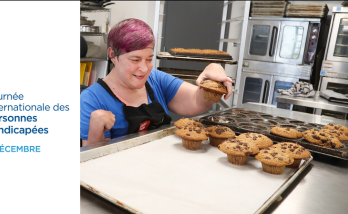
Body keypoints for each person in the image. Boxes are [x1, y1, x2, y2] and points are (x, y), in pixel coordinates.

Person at [80, 18, 233, 146]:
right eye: (135, 59)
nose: (144, 68)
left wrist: (212, 72)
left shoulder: (155, 79)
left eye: (149, 59)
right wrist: (95, 128)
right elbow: (92, 162)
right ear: (112, 54)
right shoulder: (92, 99)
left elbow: (196, 101)